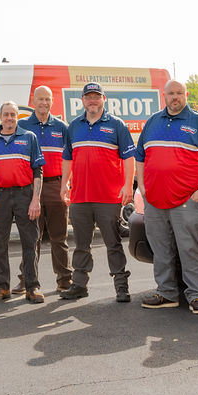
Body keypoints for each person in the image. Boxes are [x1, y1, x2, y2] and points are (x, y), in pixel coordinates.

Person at [136, 80, 198, 312]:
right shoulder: (153, 122)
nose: (175, 97)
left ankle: (196, 295)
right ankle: (166, 293)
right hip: (154, 200)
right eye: (171, 93)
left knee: (190, 248)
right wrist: (142, 187)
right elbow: (140, 157)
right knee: (161, 249)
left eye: (179, 93)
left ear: (186, 95)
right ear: (164, 96)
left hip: (187, 200)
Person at [59, 82, 135, 302]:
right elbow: (67, 159)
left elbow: (128, 158)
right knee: (81, 245)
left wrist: (128, 186)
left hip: (108, 197)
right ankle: (79, 285)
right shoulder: (73, 127)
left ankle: (121, 286)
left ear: (104, 99)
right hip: (80, 197)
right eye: (88, 97)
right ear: (82, 100)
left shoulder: (116, 125)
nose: (92, 101)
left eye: (96, 97)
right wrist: (64, 185)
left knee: (113, 244)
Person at [0, 101, 45, 303]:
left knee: (30, 242)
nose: (9, 118)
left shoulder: (29, 138)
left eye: (13, 114)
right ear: (0, 116)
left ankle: (31, 287)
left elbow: (38, 170)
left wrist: (36, 199)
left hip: (25, 195)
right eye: (6, 114)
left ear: (17, 117)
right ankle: (1, 287)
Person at [16, 85, 74, 293]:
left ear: (52, 101)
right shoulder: (21, 126)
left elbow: (70, 158)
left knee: (59, 237)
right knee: (32, 238)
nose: (44, 103)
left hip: (56, 186)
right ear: (33, 101)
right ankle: (26, 280)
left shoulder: (62, 127)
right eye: (40, 99)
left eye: (47, 99)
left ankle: (65, 279)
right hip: (30, 189)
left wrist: (68, 184)